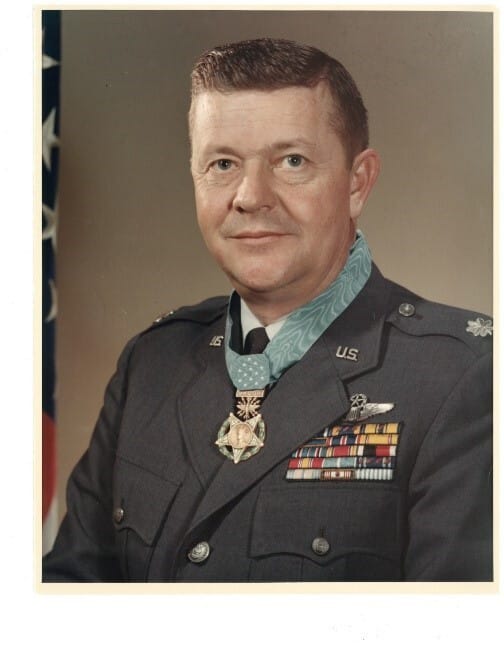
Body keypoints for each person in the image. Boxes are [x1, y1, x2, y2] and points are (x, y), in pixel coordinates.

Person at [43, 38, 492, 582]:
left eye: (292, 161)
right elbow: (69, 597)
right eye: (223, 163)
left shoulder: (463, 376)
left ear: (357, 183)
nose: (251, 196)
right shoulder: (151, 364)